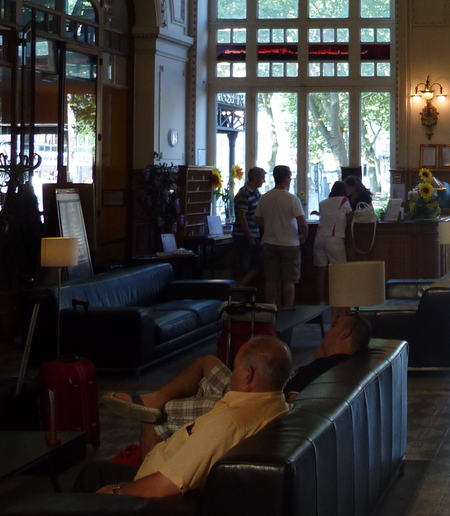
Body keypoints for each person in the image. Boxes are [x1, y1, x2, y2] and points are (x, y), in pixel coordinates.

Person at [104, 316, 370, 456]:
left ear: (345, 334)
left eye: (334, 327)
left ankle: (141, 493)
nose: (328, 331)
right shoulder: (337, 363)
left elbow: (296, 399)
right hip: (260, 389)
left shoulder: (329, 367)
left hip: (255, 402)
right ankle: (155, 398)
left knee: (153, 418)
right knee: (208, 362)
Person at [88, 336, 292, 498]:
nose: (232, 373)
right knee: (96, 471)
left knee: (91, 476)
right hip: (160, 472)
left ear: (247, 376)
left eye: (236, 368)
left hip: (151, 492)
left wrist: (118, 491)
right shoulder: (279, 406)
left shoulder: (227, 424)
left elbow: (167, 486)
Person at [255, 165, 307, 310]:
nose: (290, 180)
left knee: (271, 279)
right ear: (286, 178)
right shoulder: (292, 199)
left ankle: (270, 309)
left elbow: (257, 219)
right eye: (290, 177)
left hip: (269, 242)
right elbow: (302, 222)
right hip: (290, 243)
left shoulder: (265, 198)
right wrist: (304, 235)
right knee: (289, 280)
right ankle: (288, 307)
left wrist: (271, 222)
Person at [314, 181, 351, 304]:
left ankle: (321, 299)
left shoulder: (323, 203)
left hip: (319, 238)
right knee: (339, 270)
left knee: (321, 270)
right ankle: (339, 299)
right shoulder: (344, 200)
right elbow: (350, 215)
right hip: (334, 238)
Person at [232, 166, 266, 287]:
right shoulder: (244, 194)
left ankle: (239, 288)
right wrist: (249, 236)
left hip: (254, 234)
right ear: (255, 178)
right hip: (244, 236)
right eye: (262, 178)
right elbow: (242, 217)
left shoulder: (257, 193)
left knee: (258, 264)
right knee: (243, 266)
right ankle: (238, 293)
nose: (264, 181)